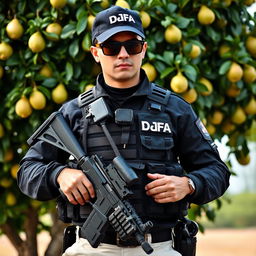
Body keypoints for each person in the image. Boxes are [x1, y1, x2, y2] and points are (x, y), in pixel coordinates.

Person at [17, 5, 230, 256]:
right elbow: (27, 172)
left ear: (144, 50)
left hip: (157, 247)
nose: (123, 54)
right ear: (96, 53)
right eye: (111, 47)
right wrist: (59, 174)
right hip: (91, 248)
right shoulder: (72, 113)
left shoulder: (175, 110)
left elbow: (217, 171)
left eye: (132, 46)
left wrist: (189, 184)